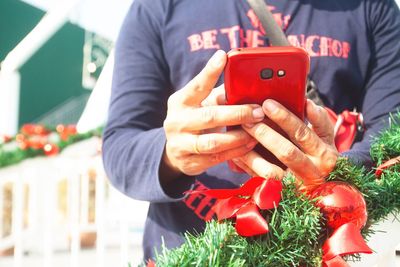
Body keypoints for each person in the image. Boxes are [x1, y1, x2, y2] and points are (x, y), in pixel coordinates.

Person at [102, 0, 400, 261]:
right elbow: (119, 148)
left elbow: (393, 131)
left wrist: (337, 174)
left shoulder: (370, 6)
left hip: (318, 250)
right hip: (185, 249)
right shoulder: (159, 6)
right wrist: (171, 153)